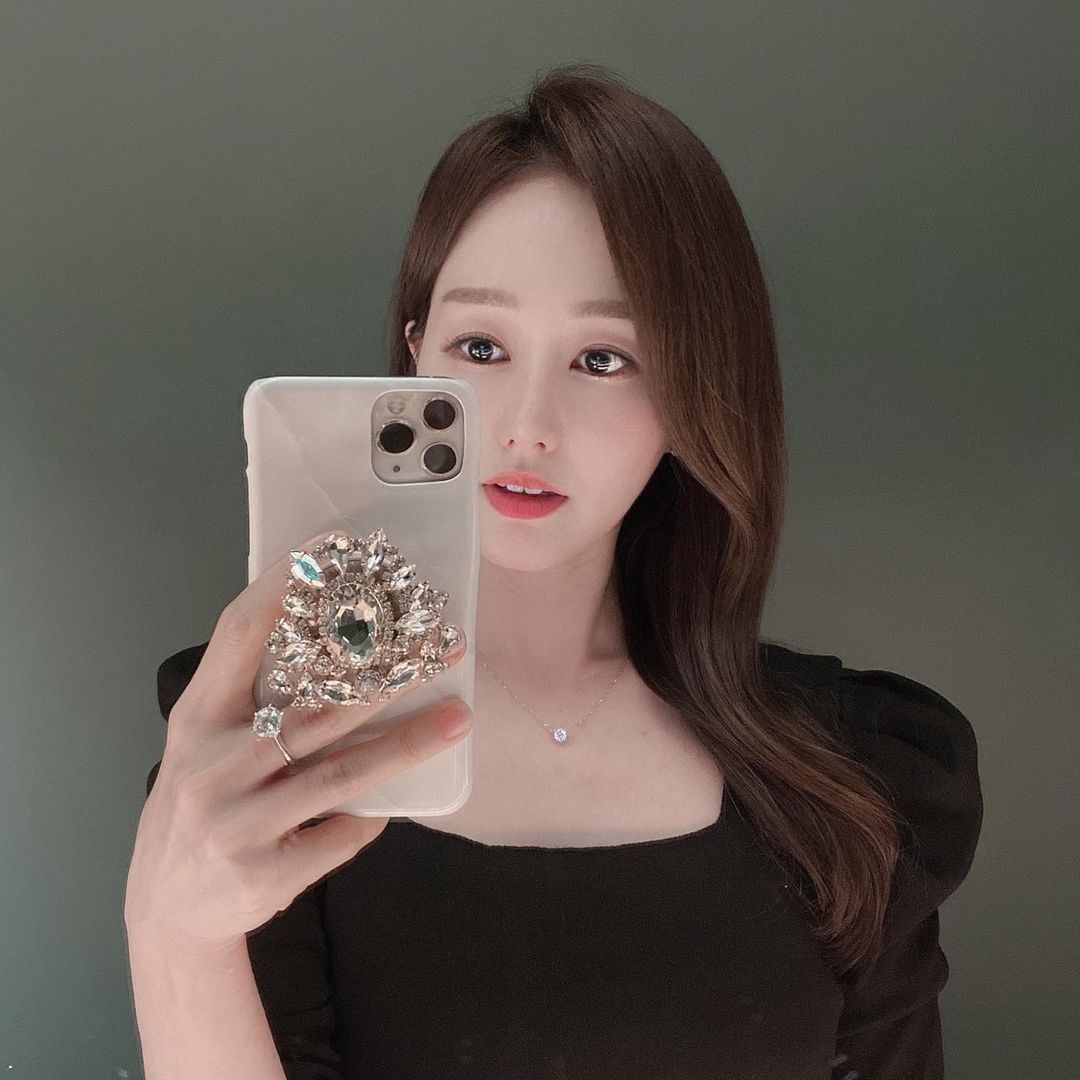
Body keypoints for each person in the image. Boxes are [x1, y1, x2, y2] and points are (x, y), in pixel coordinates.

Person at [125, 62, 983, 1079]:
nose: (526, 426)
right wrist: (172, 933)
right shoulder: (272, 756)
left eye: (603, 358)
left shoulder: (857, 775)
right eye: (481, 347)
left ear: (691, 396)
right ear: (416, 358)